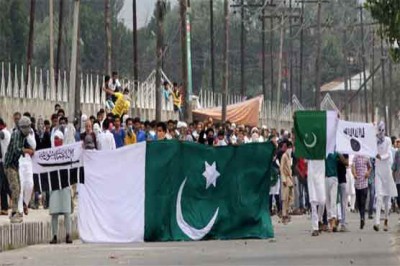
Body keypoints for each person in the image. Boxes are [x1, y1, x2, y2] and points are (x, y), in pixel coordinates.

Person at [4, 116, 34, 223]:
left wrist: (32, 150)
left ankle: (17, 211)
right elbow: (17, 149)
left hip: (15, 165)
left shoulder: (23, 137)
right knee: (15, 189)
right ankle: (14, 213)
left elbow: (29, 146)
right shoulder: (16, 134)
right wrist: (27, 151)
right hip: (9, 165)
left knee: (19, 188)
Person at [49, 130, 73, 244]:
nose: (56, 141)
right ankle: (54, 235)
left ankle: (68, 234)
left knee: (67, 212)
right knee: (54, 212)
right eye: (55, 138)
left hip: (64, 184)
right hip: (54, 184)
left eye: (58, 138)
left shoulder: (66, 153)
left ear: (62, 140)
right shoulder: (50, 154)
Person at [374, 122, 398, 232]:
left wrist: (381, 156)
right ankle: (377, 222)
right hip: (378, 171)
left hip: (387, 172)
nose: (380, 133)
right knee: (379, 197)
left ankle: (386, 220)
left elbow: (388, 154)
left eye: (381, 131)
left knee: (387, 198)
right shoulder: (374, 141)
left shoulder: (388, 140)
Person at [17, 120, 37, 216]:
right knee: (20, 185)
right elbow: (16, 148)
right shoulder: (16, 133)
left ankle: (25, 202)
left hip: (28, 161)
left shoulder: (31, 132)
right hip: (19, 160)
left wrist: (28, 135)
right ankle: (20, 210)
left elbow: (33, 146)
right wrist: (25, 150)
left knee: (30, 184)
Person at [352, 155, 371, 229]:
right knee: (359, 203)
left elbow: (370, 167)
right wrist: (354, 174)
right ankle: (362, 217)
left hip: (364, 183)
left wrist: (368, 173)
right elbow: (353, 167)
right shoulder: (355, 157)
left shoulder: (367, 157)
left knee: (363, 202)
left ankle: (362, 218)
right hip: (357, 183)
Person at [280, 141, 294, 224]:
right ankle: (284, 214)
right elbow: (281, 168)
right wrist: (283, 179)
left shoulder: (289, 156)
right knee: (285, 197)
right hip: (285, 178)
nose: (290, 149)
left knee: (290, 197)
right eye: (290, 148)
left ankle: (287, 212)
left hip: (290, 178)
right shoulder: (284, 156)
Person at [0, 118, 11, 215]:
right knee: (4, 186)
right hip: (4, 162)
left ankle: (20, 203)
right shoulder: (6, 131)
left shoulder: (3, 133)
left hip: (4, 163)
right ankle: (4, 208)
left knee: (5, 186)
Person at [337, 153, 349, 232]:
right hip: (333, 177)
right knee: (334, 202)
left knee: (343, 202)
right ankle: (334, 222)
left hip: (342, 179)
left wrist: (339, 155)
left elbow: (346, 163)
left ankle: (343, 223)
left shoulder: (344, 149)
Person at [392, 139, 400, 213]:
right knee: (398, 196)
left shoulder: (397, 152)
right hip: (398, 178)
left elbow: (394, 166)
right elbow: (394, 166)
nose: (398, 144)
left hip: (398, 178)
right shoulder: (397, 153)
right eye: (397, 142)